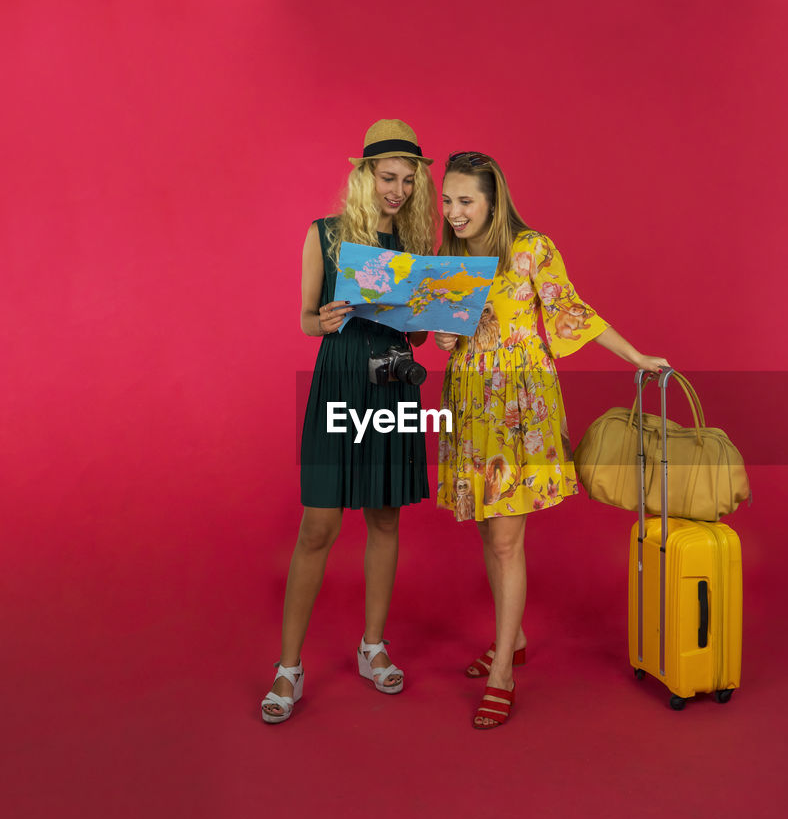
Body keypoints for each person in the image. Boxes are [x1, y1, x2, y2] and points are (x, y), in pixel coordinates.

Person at [433, 151, 670, 728]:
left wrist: (635, 355)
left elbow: (571, 313)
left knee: (508, 540)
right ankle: (511, 638)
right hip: (469, 401)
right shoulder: (448, 256)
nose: (455, 211)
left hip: (518, 407)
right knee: (490, 529)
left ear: (494, 200)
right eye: (448, 200)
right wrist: (440, 335)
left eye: (466, 201)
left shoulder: (531, 248)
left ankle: (503, 674)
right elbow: (440, 329)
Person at [261, 120, 436, 724]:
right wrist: (327, 318)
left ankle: (372, 647)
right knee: (319, 525)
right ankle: (289, 667)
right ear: (364, 174)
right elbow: (306, 319)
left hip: (390, 380)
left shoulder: (415, 245)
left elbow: (415, 333)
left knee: (384, 517)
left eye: (408, 181)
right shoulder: (325, 235)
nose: (398, 190)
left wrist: (434, 318)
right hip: (339, 376)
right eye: (388, 177)